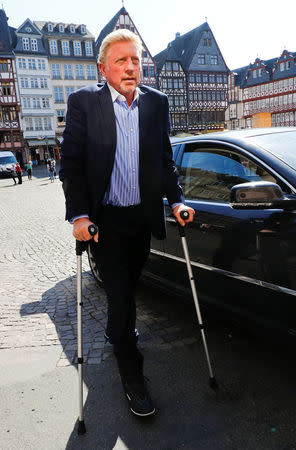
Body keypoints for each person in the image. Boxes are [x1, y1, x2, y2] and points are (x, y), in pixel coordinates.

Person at [60, 29, 194, 417]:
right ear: (103, 68)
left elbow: (164, 160)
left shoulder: (157, 103)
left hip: (142, 217)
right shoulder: (84, 102)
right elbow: (71, 165)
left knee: (131, 284)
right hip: (106, 221)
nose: (130, 67)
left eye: (135, 60)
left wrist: (179, 200)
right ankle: (132, 373)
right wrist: (80, 215)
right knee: (122, 297)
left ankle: (119, 330)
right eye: (121, 60)